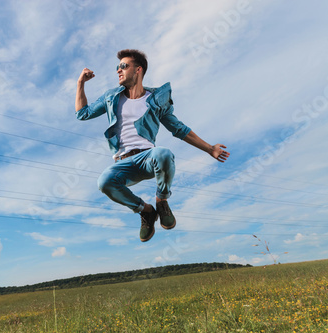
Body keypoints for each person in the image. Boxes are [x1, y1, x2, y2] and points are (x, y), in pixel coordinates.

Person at [75, 49, 229, 242]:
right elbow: (83, 114)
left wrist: (210, 148)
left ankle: (161, 200)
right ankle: (146, 211)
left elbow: (179, 129)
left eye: (123, 66)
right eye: (117, 67)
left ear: (138, 70)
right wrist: (80, 83)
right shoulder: (111, 97)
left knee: (163, 154)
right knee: (104, 182)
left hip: (147, 158)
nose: (118, 71)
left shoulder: (156, 100)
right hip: (122, 163)